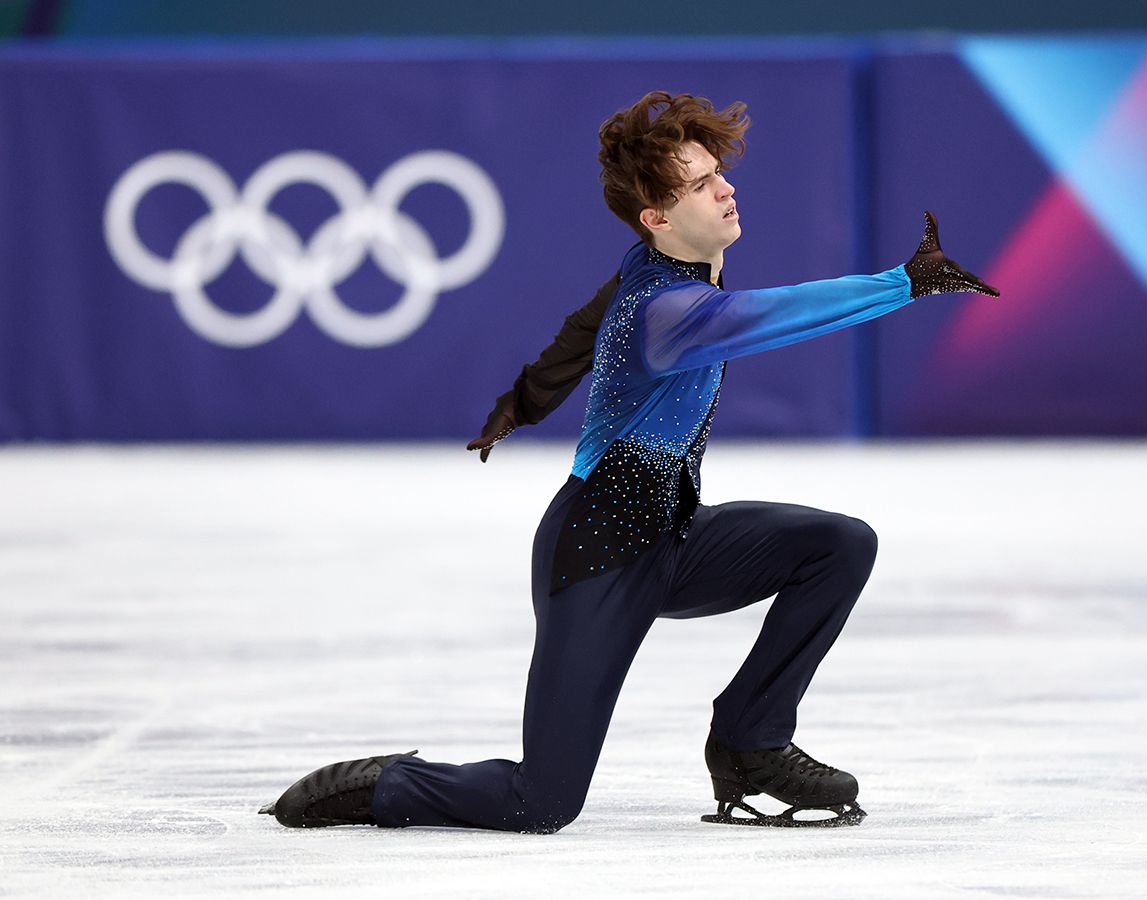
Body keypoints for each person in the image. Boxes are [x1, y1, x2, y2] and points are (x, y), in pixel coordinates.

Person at [261, 90, 997, 833]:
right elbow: (776, 316)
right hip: (598, 555)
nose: (726, 189)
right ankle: (383, 784)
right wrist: (905, 282)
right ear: (658, 219)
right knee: (540, 801)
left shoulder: (650, 265)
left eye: (719, 173)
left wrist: (524, 400)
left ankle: (752, 742)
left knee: (839, 545)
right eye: (701, 185)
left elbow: (582, 327)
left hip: (675, 539)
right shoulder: (668, 313)